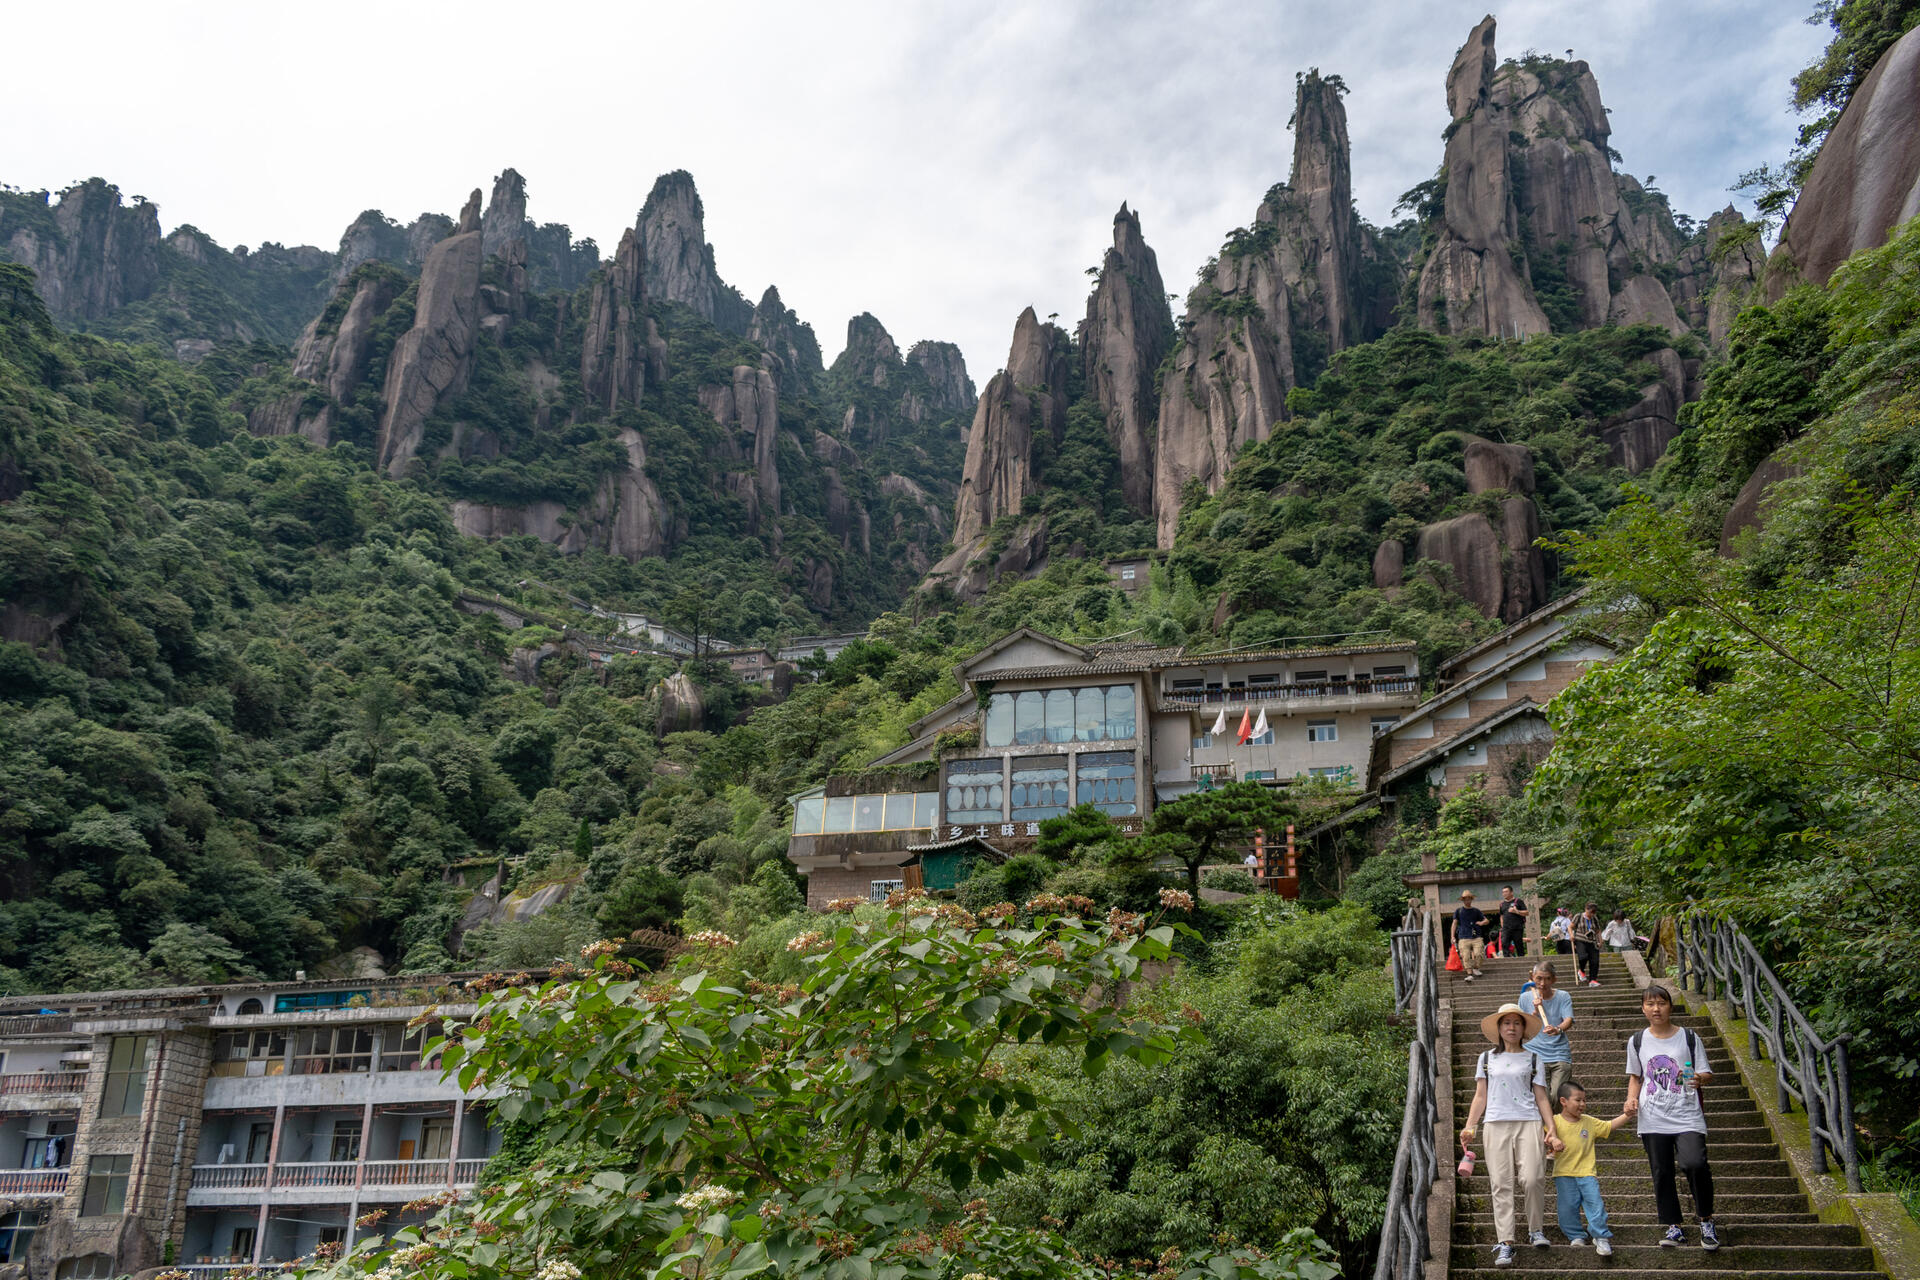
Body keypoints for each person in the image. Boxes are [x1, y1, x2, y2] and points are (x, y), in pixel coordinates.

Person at [1461, 1002, 1563, 1267]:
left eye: (1517, 1023)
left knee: (1533, 1178)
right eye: (1506, 1023)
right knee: (1501, 1183)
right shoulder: (1486, 1058)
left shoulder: (1534, 1058)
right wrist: (1470, 1126)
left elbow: (1541, 1096)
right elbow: (1480, 1096)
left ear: (1523, 1028)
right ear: (1499, 1028)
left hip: (1528, 1121)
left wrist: (1551, 1126)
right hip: (1495, 1123)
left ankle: (1535, 1230)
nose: (1512, 1027)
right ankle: (1505, 1242)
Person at [1625, 984, 1720, 1251]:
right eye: (1650, 1004)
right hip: (1652, 1117)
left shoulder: (1689, 1037)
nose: (1656, 1009)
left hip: (1687, 1114)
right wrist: (1631, 1098)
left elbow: (1706, 1073)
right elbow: (1636, 1077)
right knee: (1662, 1171)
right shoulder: (1637, 1041)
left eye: (1661, 1003)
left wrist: (1699, 1078)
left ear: (1670, 1006)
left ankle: (1706, 1219)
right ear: (1643, 1009)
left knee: (1694, 1163)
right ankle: (1673, 1226)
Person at [1551, 1080, 1631, 1254]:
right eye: (1578, 1100)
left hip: (1587, 1173)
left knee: (1595, 1204)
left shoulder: (1589, 1122)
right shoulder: (1554, 1122)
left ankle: (1600, 1236)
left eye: (1584, 1100)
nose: (1582, 1104)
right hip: (1563, 1173)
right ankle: (1575, 1235)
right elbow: (1546, 1136)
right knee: (1567, 1207)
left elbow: (1609, 1126)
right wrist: (1552, 1140)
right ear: (1563, 1101)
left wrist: (1627, 1115)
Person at [1519, 961, 1575, 1109]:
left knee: (1558, 1095)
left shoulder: (1563, 996)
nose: (1543, 983)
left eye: (1547, 979)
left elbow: (1568, 1020)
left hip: (1559, 1054)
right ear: (1532, 977)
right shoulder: (1525, 998)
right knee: (1540, 1098)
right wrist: (1535, 1012)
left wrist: (1557, 1029)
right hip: (1534, 1053)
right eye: (1539, 978)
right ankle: (1548, 1123)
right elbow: (1522, 1027)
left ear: (1554, 979)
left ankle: (1552, 1121)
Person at [1453, 891, 1488, 983]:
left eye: (1469, 899)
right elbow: (1454, 924)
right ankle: (1469, 974)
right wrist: (1452, 936)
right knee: (1465, 955)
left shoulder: (1476, 911)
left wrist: (1482, 923)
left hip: (1476, 936)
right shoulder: (1459, 911)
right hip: (1463, 936)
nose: (1467, 901)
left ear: (1471, 899)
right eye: (1465, 899)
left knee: (1479, 953)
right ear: (1463, 900)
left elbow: (1486, 920)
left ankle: (1476, 968)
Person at [1571, 903, 1603, 985]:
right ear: (1586, 909)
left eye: (1593, 913)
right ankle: (1581, 971)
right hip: (1580, 940)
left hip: (1592, 941)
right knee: (1583, 957)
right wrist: (1571, 935)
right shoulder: (1578, 916)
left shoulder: (1594, 918)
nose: (1591, 915)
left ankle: (1593, 980)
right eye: (1590, 912)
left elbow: (1598, 930)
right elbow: (1570, 927)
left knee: (1595, 961)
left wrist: (1600, 941)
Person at [1498, 885, 1529, 957]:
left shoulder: (1518, 901)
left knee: (1519, 946)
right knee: (1504, 944)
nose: (1504, 894)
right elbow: (1501, 916)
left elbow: (1527, 913)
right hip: (1506, 929)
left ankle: (1522, 960)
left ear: (1511, 892)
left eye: (1506, 892)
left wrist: (1516, 911)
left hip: (1517, 928)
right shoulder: (1502, 904)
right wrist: (1502, 926)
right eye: (1503, 892)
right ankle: (1507, 960)